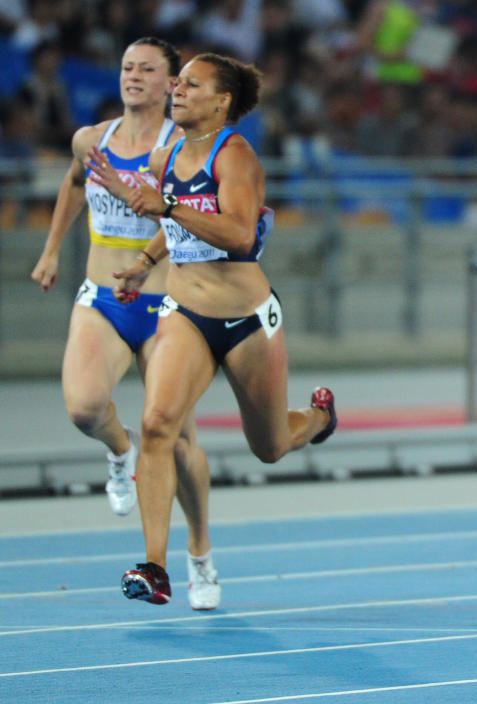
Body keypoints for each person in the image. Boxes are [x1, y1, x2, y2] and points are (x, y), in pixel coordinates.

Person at [88, 51, 338, 606]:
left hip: (247, 320)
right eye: (177, 82)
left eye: (191, 84)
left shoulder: (237, 156)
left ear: (221, 102)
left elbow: (241, 235)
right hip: (184, 313)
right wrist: (148, 262)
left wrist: (169, 206)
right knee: (157, 427)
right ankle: (155, 567)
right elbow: (170, 223)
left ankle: (319, 417)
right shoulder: (167, 152)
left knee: (269, 447)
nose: (176, 89)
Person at [30, 37, 223, 611]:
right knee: (85, 407)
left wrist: (145, 263)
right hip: (102, 299)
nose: (133, 76)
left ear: (171, 85)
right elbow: (72, 184)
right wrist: (51, 249)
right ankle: (120, 451)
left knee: (182, 443)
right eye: (126, 67)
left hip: (166, 309)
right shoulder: (92, 140)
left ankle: (200, 553)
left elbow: (190, 218)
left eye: (147, 70)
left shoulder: (182, 150)